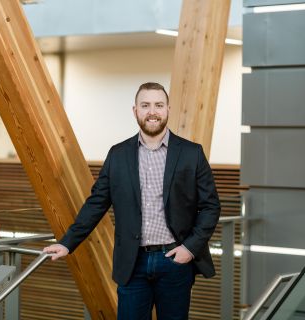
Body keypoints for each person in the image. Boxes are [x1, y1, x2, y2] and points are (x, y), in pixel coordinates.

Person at [43, 82, 221, 320]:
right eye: (145, 105)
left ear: (168, 109)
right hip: (132, 263)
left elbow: (210, 207)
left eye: (158, 105)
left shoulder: (191, 153)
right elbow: (97, 203)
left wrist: (189, 249)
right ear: (135, 110)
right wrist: (67, 243)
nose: (152, 112)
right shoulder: (118, 154)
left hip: (175, 261)